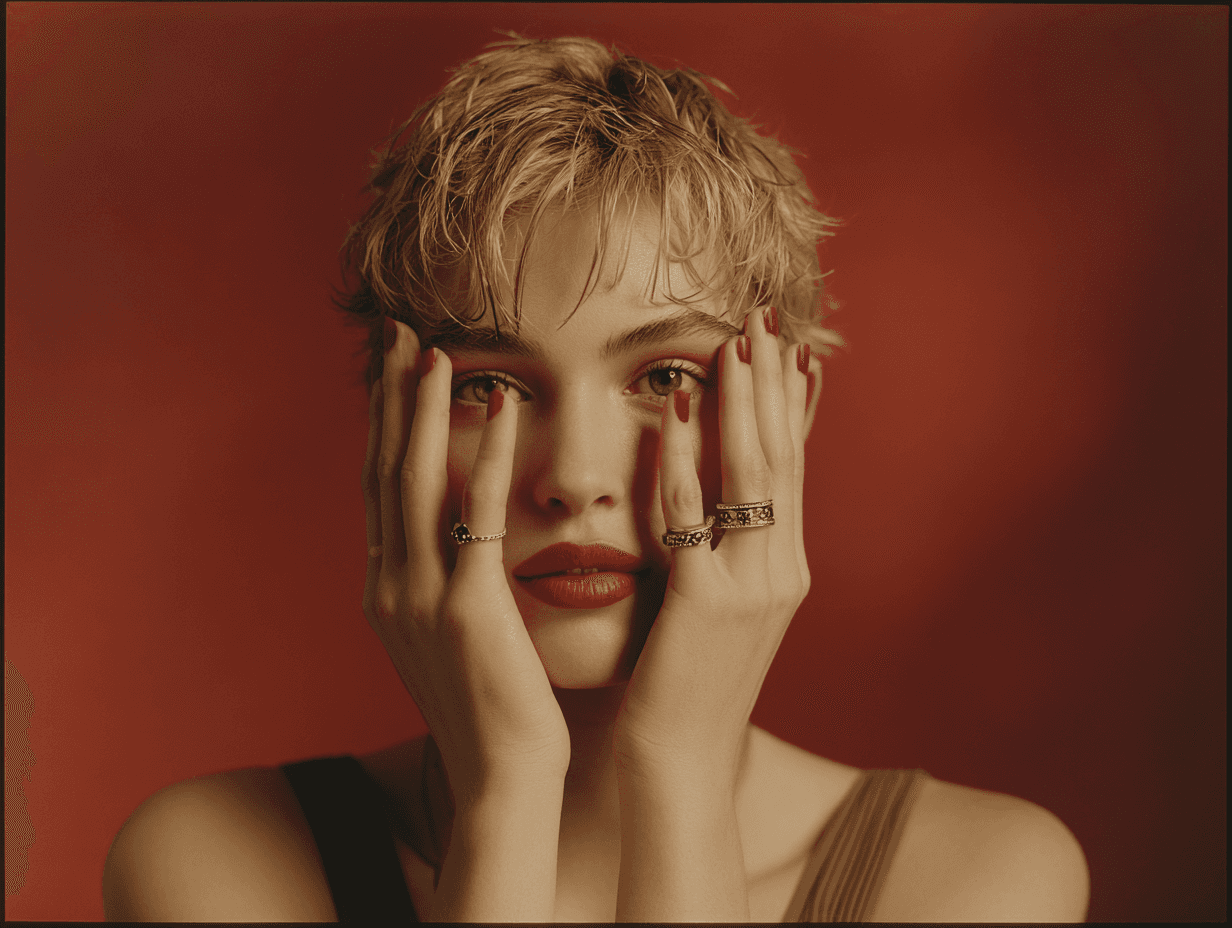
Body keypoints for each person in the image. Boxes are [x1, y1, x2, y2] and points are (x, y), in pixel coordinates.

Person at [101, 35, 1089, 922]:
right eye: (490, 384)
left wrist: (683, 772)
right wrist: (509, 792)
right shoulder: (211, 864)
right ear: (392, 423)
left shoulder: (975, 876)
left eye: (665, 377)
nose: (572, 478)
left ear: (790, 410)